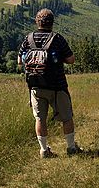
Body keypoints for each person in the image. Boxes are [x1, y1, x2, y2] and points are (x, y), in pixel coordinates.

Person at [18, 8, 81, 158]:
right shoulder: (57, 39)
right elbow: (71, 60)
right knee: (66, 117)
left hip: (35, 86)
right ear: (52, 23)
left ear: (37, 22)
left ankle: (44, 150)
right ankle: (71, 147)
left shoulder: (28, 39)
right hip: (57, 85)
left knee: (40, 118)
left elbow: (20, 60)